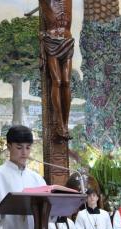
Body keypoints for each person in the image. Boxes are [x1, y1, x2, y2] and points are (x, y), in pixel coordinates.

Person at [39, 0, 74, 140]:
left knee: (66, 81)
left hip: (67, 40)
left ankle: (65, 124)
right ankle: (59, 123)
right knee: (57, 81)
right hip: (52, 40)